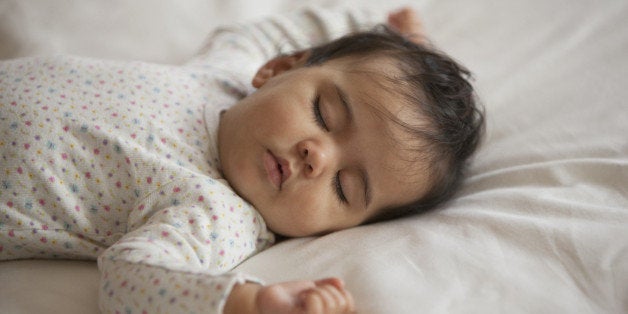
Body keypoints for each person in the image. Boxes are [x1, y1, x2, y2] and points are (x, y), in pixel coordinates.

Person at [0, 6, 483, 314]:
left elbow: (132, 279)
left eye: (344, 188)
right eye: (324, 113)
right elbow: (283, 28)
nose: (318, 158)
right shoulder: (225, 74)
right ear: (281, 68)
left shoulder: (216, 214)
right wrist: (407, 48)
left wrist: (248, 302)